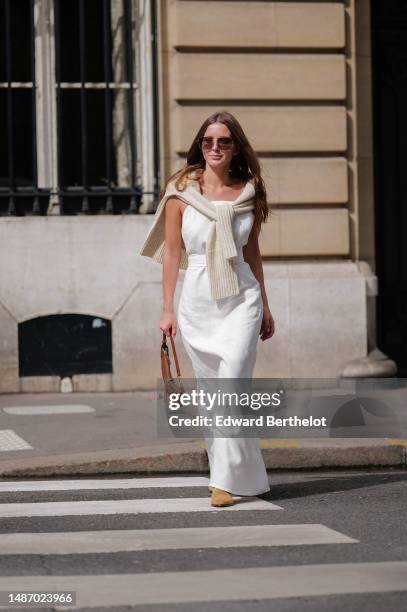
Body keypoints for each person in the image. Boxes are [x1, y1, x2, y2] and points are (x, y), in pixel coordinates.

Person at [140, 110, 275, 507]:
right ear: (200, 146)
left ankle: (223, 481)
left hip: (241, 297)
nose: (215, 148)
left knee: (232, 385)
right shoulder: (180, 192)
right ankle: (243, 478)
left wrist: (265, 304)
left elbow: (252, 253)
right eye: (207, 141)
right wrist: (167, 309)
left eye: (224, 141)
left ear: (236, 148)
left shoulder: (249, 192)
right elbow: (172, 254)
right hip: (198, 299)